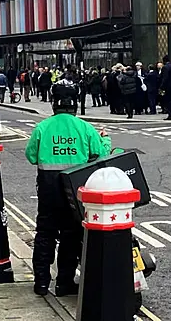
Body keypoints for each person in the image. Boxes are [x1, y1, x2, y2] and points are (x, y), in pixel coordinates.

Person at [25, 82, 111, 297]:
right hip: (74, 188)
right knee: (70, 236)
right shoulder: (84, 128)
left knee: (45, 234)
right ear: (74, 104)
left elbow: (31, 156)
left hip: (48, 188)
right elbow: (100, 154)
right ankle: (64, 283)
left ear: (54, 104)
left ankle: (41, 283)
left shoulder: (42, 128)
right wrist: (106, 139)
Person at [160, 56, 171, 120]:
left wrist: (161, 86)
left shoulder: (165, 67)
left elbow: (165, 78)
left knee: (167, 101)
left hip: (168, 86)